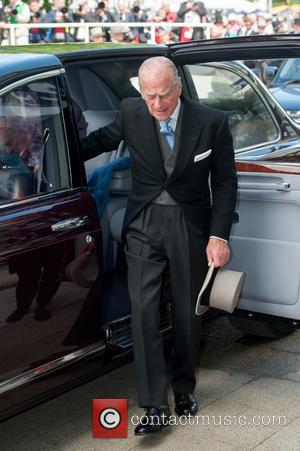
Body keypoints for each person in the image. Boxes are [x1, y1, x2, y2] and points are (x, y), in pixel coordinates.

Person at [81, 56, 237, 434]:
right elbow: (102, 141)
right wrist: (44, 157)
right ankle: (153, 405)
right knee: (144, 312)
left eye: (163, 95)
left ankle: (184, 388)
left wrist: (219, 236)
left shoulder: (211, 122)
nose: (156, 105)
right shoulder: (131, 112)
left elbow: (226, 183)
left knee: (186, 313)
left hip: (190, 226)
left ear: (178, 87)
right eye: (149, 96)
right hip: (144, 226)